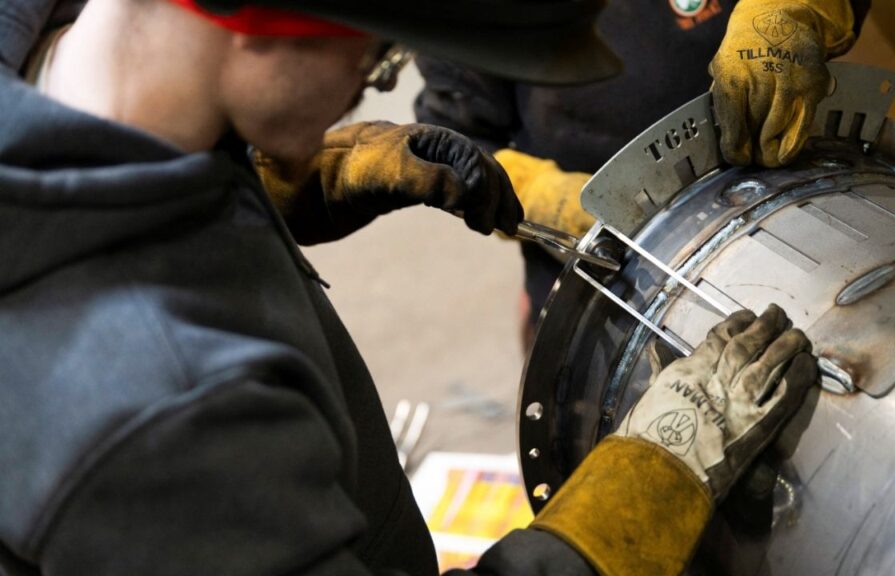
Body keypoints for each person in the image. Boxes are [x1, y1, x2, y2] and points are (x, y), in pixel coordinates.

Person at [0, 1, 817, 574]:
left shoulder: (64, 68)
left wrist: (274, 188)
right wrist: (650, 477)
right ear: (255, 21)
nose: (368, 85)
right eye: (375, 55)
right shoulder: (163, 414)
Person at [415, 0, 871, 348]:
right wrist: (552, 201)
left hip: (796, 231)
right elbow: (451, 144)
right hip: (614, 282)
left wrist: (792, 11)